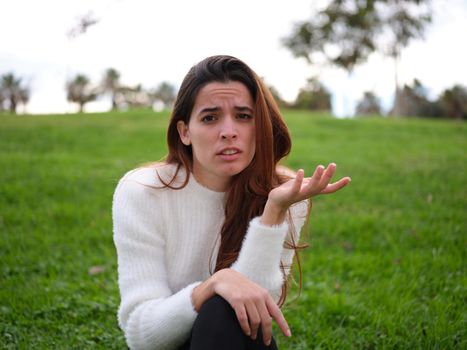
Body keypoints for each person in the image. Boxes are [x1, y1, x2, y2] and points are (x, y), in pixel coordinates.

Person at [112, 55, 350, 350]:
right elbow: (141, 335)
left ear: (259, 126)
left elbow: (256, 308)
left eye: (243, 116)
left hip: (234, 339)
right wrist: (211, 286)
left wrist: (273, 212)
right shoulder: (142, 192)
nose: (228, 131)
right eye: (210, 117)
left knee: (225, 311)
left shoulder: (284, 192)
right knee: (220, 304)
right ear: (185, 132)